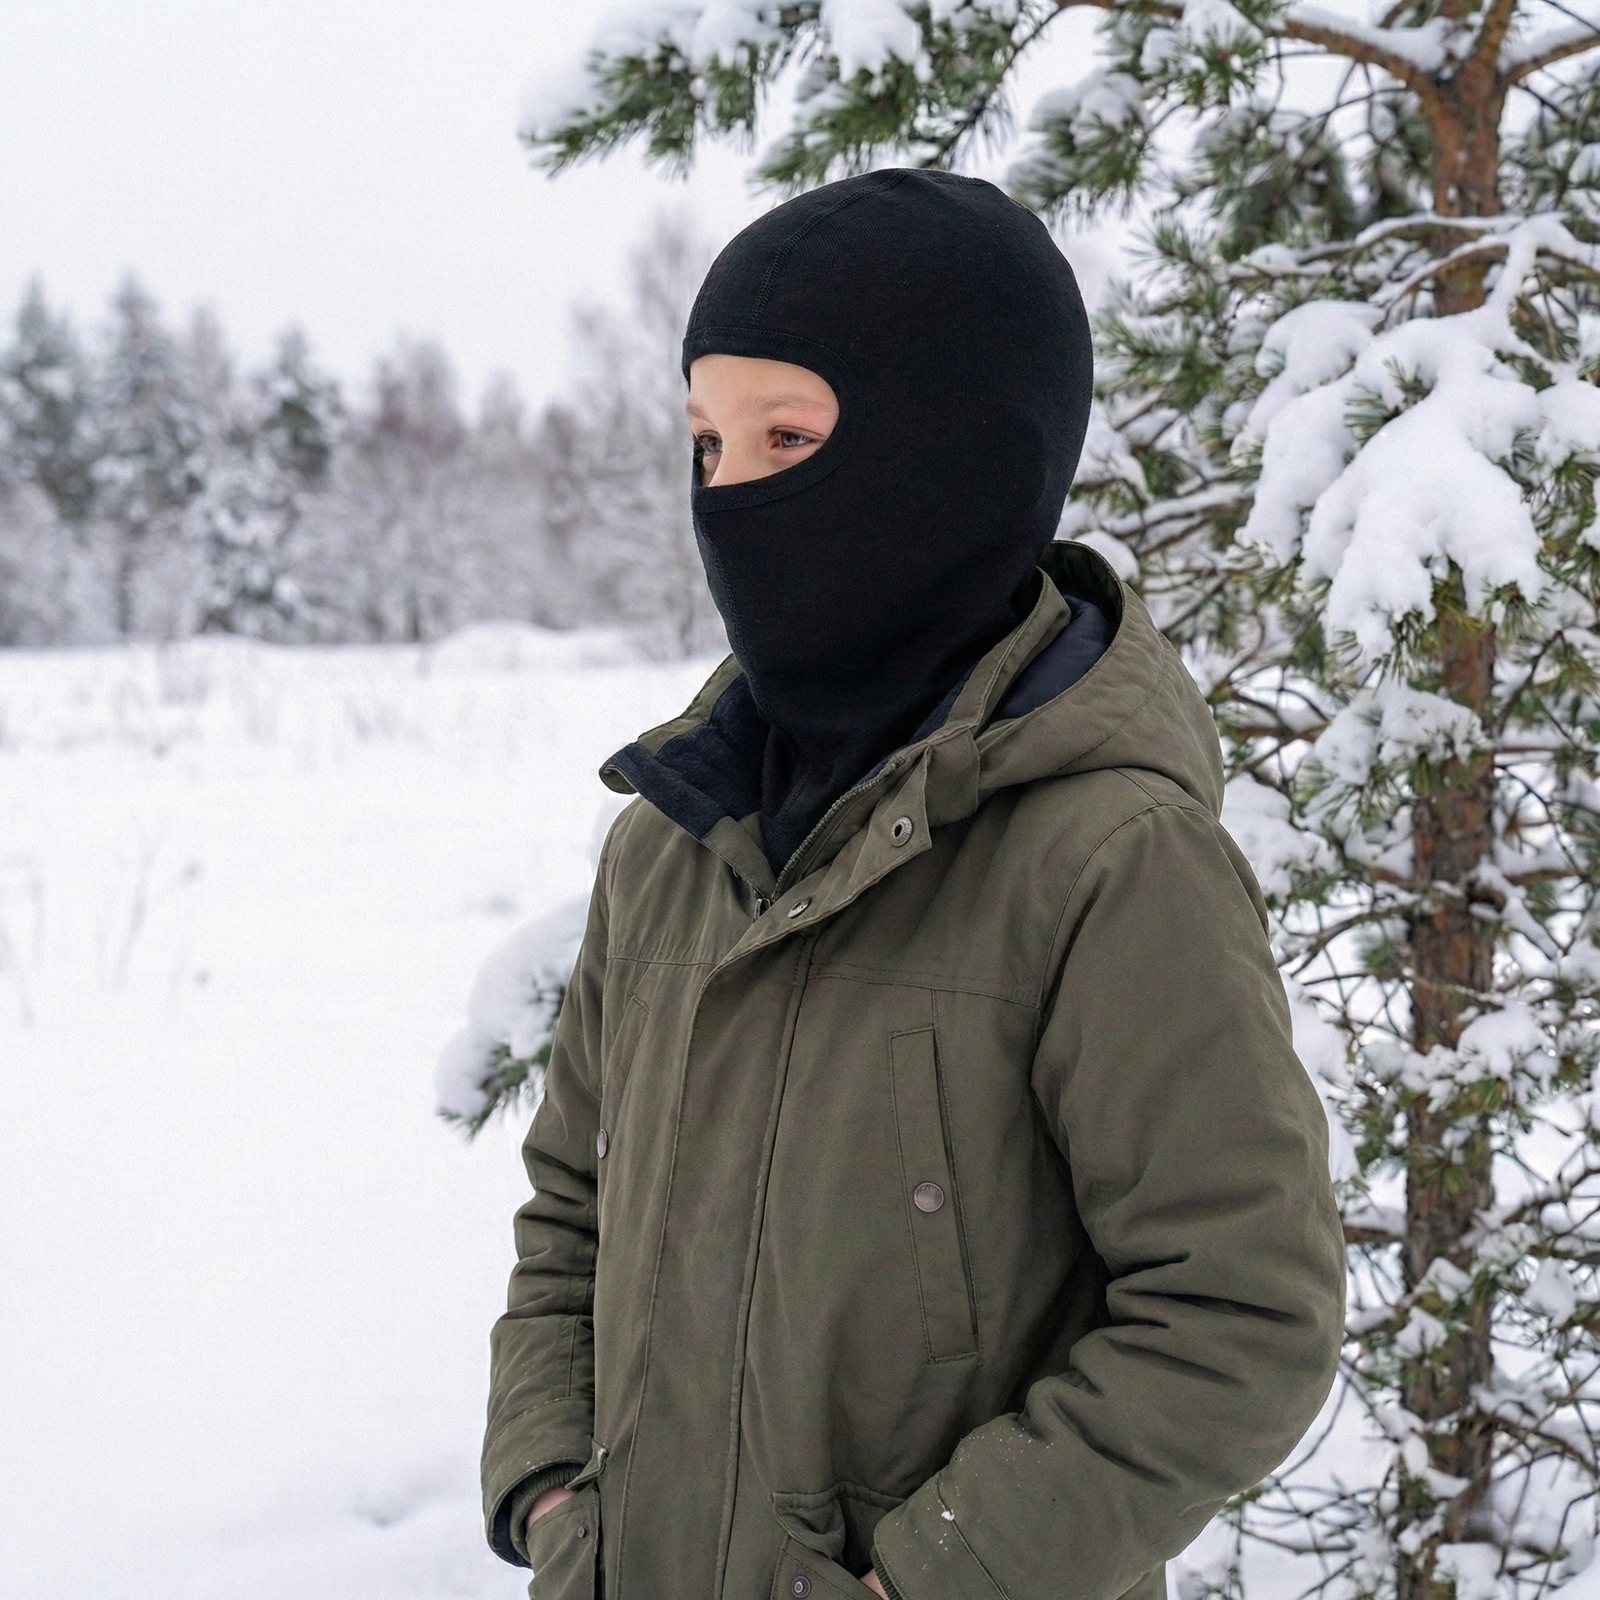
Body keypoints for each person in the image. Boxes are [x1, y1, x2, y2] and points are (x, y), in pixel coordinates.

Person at [481, 169, 1345, 1600]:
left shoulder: (1110, 860)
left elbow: (1236, 1316)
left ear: (951, 452)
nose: (733, 495)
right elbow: (572, 1204)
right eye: (707, 443)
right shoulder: (674, 842)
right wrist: (557, 1497)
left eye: (789, 437)